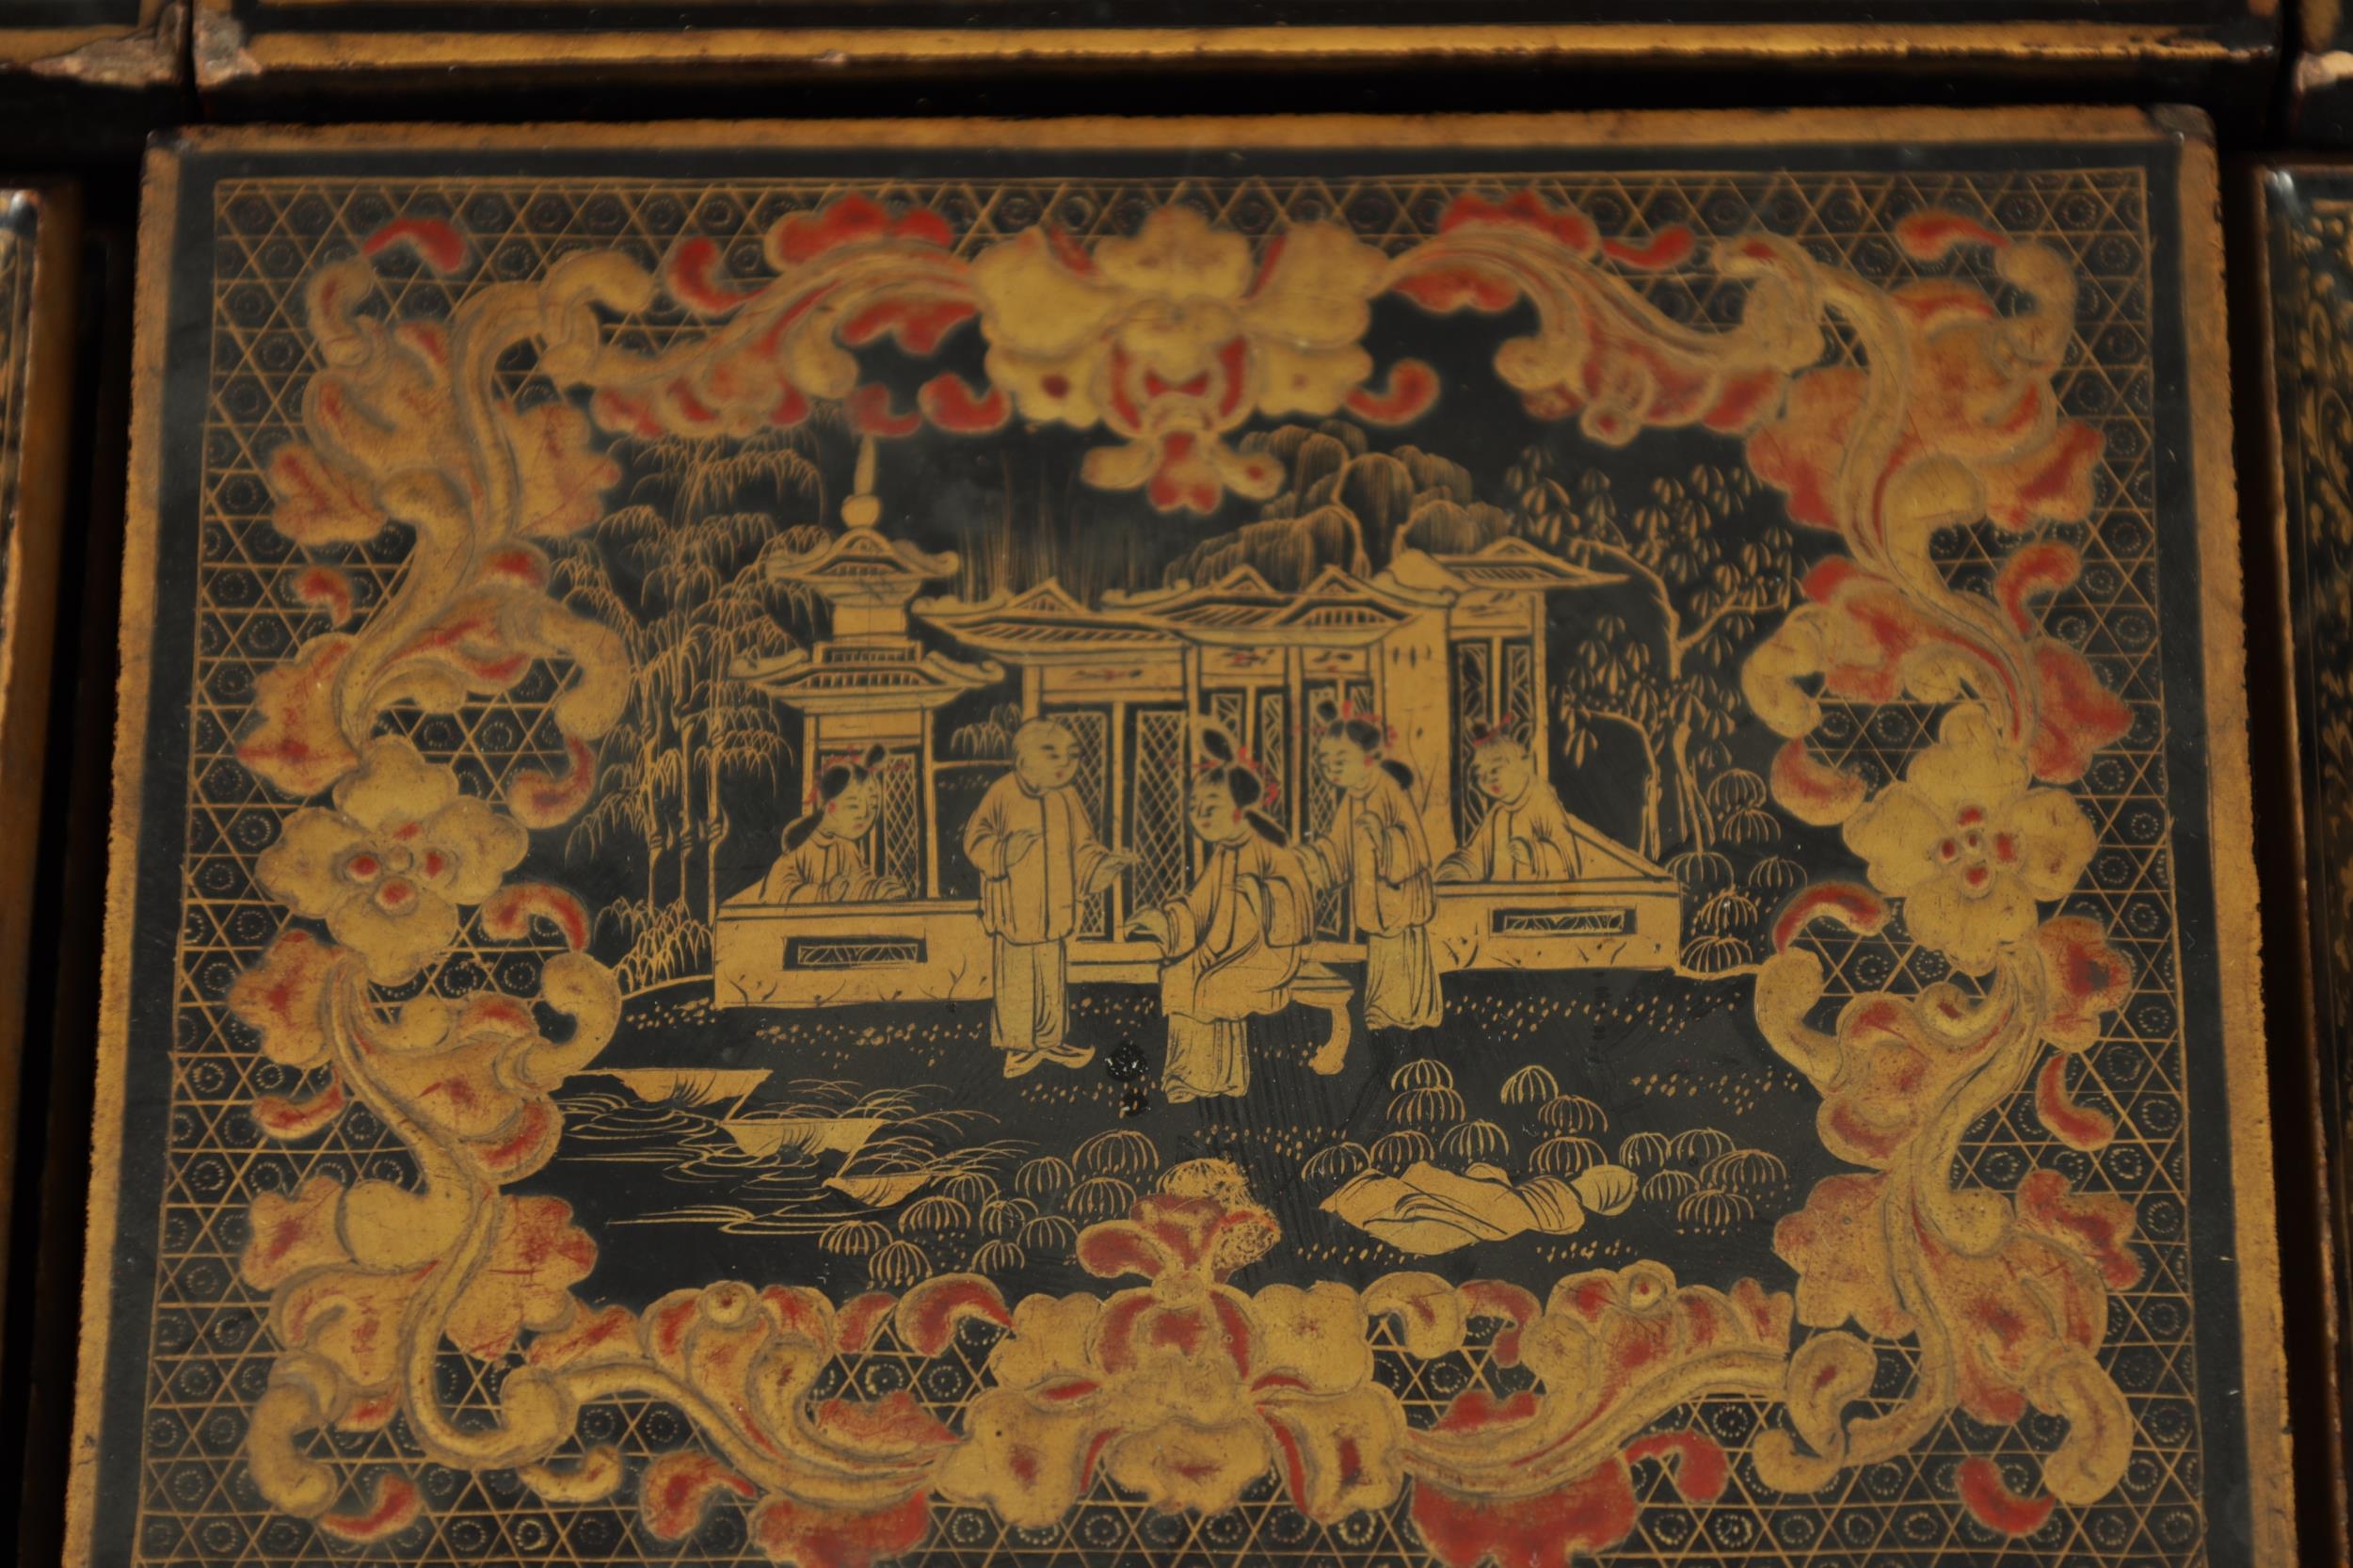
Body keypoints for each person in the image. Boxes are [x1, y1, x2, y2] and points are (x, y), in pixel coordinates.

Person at [1125, 729, 1311, 1103]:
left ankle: (1218, 1079)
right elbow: (1198, 907)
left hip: (1267, 954)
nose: (1198, 815)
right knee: (1182, 973)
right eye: (1194, 807)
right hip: (1221, 949)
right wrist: (1164, 921)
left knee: (1213, 984)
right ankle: (1186, 1074)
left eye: (1209, 806)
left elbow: (1297, 908)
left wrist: (1261, 894)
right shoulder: (1225, 852)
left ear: (1240, 809)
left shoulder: (1270, 849)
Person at [965, 717, 1136, 1078]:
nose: (1065, 763)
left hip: (1055, 908)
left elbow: (1083, 847)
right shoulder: (1002, 793)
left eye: (1070, 755)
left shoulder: (1066, 797)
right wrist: (1005, 851)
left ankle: (1050, 1040)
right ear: (1023, 760)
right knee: (1017, 978)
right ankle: (1019, 1048)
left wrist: (1104, 865)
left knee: (1050, 977)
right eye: (1052, 754)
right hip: (1015, 908)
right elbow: (976, 840)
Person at [1299, 701, 1443, 1031]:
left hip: (1400, 899)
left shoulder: (1387, 788)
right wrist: (1316, 857)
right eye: (1326, 763)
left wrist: (1383, 838)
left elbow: (1416, 846)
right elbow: (1339, 849)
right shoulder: (1353, 797)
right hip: (1375, 905)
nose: (1332, 769)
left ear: (1367, 758)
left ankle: (1409, 1014)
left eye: (1340, 760)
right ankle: (1385, 1012)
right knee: (1382, 961)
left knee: (1404, 960)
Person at [739, 745, 908, 904]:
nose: (864, 816)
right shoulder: (800, 843)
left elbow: (859, 882)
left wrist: (877, 890)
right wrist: (824, 893)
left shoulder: (846, 848)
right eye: (853, 806)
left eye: (872, 807)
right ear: (829, 806)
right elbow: (778, 892)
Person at [1436, 729, 1585, 883]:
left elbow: (1568, 857)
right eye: (1480, 775)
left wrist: (1533, 853)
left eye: (1495, 769)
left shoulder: (1542, 802)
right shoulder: (1498, 812)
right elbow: (1476, 855)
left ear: (1521, 765)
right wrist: (1455, 870)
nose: (1488, 779)